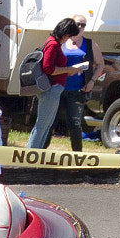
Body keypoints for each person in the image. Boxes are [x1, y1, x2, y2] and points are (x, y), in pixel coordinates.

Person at [29, 18, 90, 150]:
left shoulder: (53, 43)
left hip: (54, 89)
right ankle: (30, 154)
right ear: (65, 33)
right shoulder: (53, 44)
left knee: (47, 124)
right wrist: (69, 69)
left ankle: (36, 154)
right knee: (42, 124)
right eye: (69, 35)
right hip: (51, 89)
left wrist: (68, 71)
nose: (68, 38)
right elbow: (48, 68)